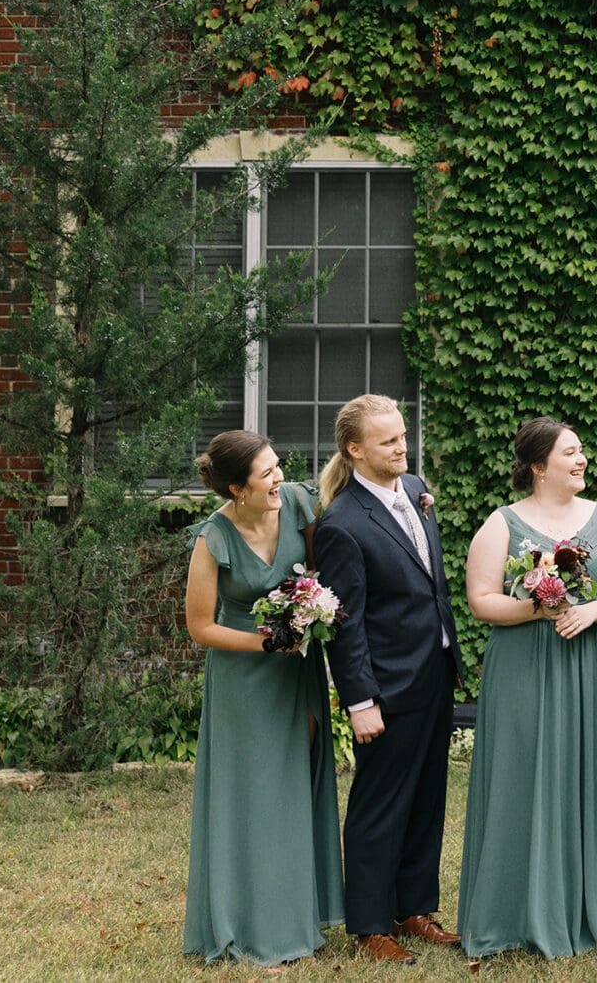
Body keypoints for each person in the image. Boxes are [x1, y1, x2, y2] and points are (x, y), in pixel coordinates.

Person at [454, 419, 597, 958]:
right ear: (539, 467)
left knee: (593, 776)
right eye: (570, 453)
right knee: (523, 775)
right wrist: (537, 608)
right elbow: (481, 600)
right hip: (524, 667)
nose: (582, 460)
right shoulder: (502, 524)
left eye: (582, 451)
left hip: (592, 666)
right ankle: (515, 910)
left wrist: (590, 610)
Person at [309, 393, 468, 966]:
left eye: (403, 436)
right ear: (354, 450)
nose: (403, 448)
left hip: (433, 672)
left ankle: (415, 909)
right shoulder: (343, 525)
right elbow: (346, 626)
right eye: (389, 441)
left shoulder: (415, 488)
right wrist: (360, 700)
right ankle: (371, 925)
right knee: (380, 806)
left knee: (428, 798)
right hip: (387, 687)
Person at [182, 431, 344, 967]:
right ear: (237, 487)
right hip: (243, 679)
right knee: (252, 795)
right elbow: (199, 627)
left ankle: (298, 914)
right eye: (266, 473)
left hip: (295, 676)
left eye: (278, 466)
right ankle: (248, 924)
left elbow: (347, 513)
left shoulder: (299, 502)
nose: (279, 479)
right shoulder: (214, 538)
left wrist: (417, 493)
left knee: (295, 781)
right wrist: (268, 641)